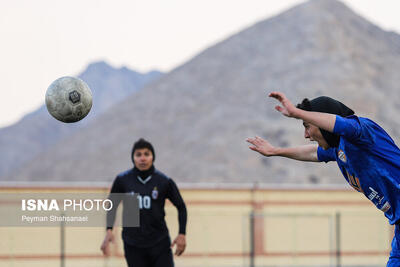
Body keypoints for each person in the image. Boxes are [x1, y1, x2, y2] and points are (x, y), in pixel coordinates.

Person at [246, 91, 400, 267]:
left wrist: (297, 113)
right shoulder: (340, 149)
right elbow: (313, 152)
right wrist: (275, 151)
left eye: (307, 126)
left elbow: (342, 124)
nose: (306, 135)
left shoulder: (362, 132)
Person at [100, 138, 187, 267]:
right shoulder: (122, 180)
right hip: (133, 244)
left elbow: (181, 206)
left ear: (152, 157)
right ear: (133, 158)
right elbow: (112, 206)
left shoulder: (164, 181)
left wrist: (182, 234)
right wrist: (109, 230)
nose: (143, 158)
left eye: (147, 154)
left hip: (159, 242)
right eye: (138, 154)